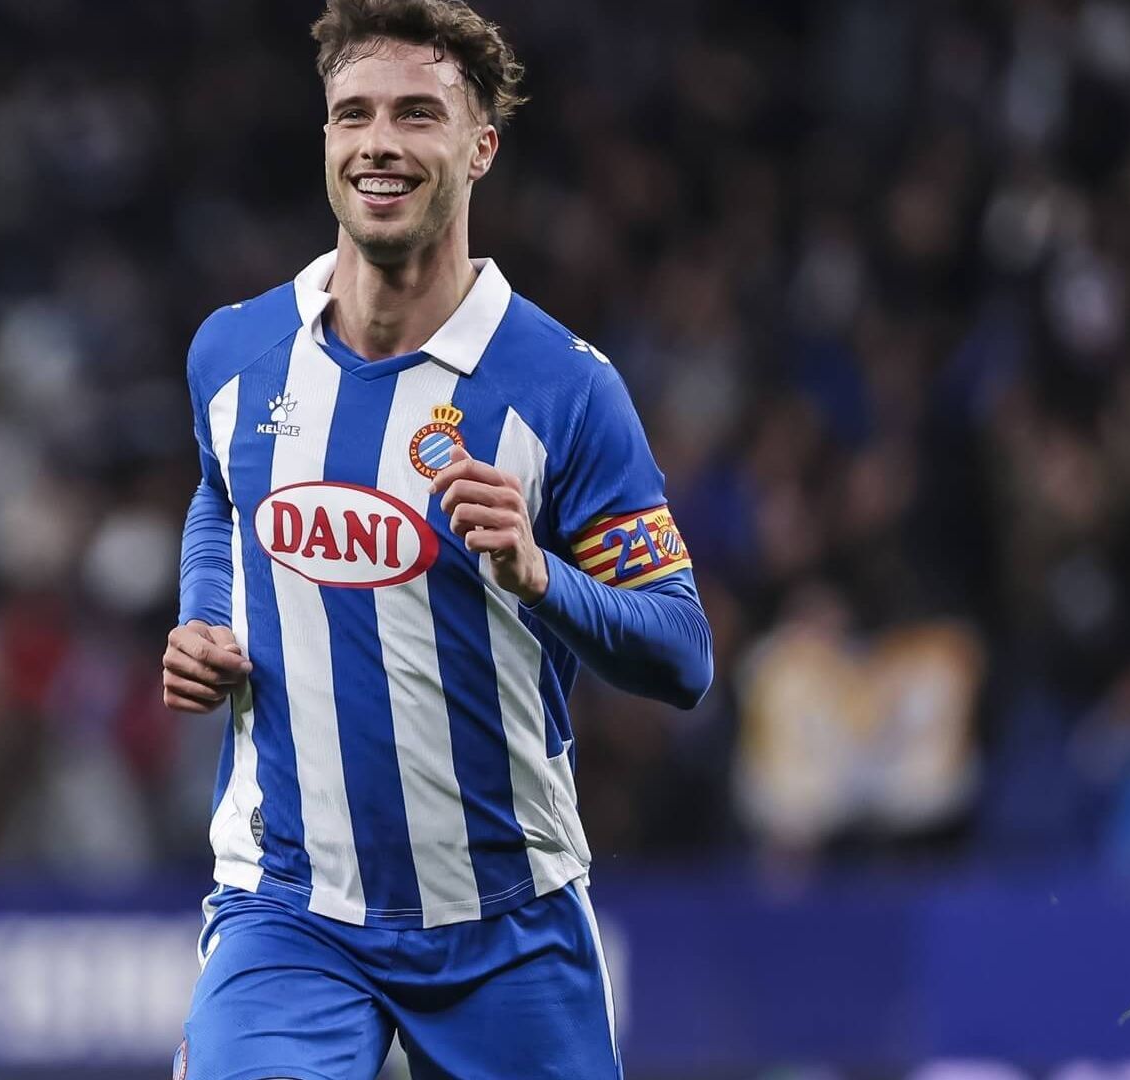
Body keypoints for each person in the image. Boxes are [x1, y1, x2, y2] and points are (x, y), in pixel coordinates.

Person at [161, 1, 713, 1075]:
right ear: (326, 139)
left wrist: (541, 574)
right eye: (353, 114)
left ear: (480, 147)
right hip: (291, 909)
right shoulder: (235, 353)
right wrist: (202, 614)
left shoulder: (565, 389)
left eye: (419, 114)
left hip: (505, 920)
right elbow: (221, 496)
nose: (380, 142)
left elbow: (682, 652)